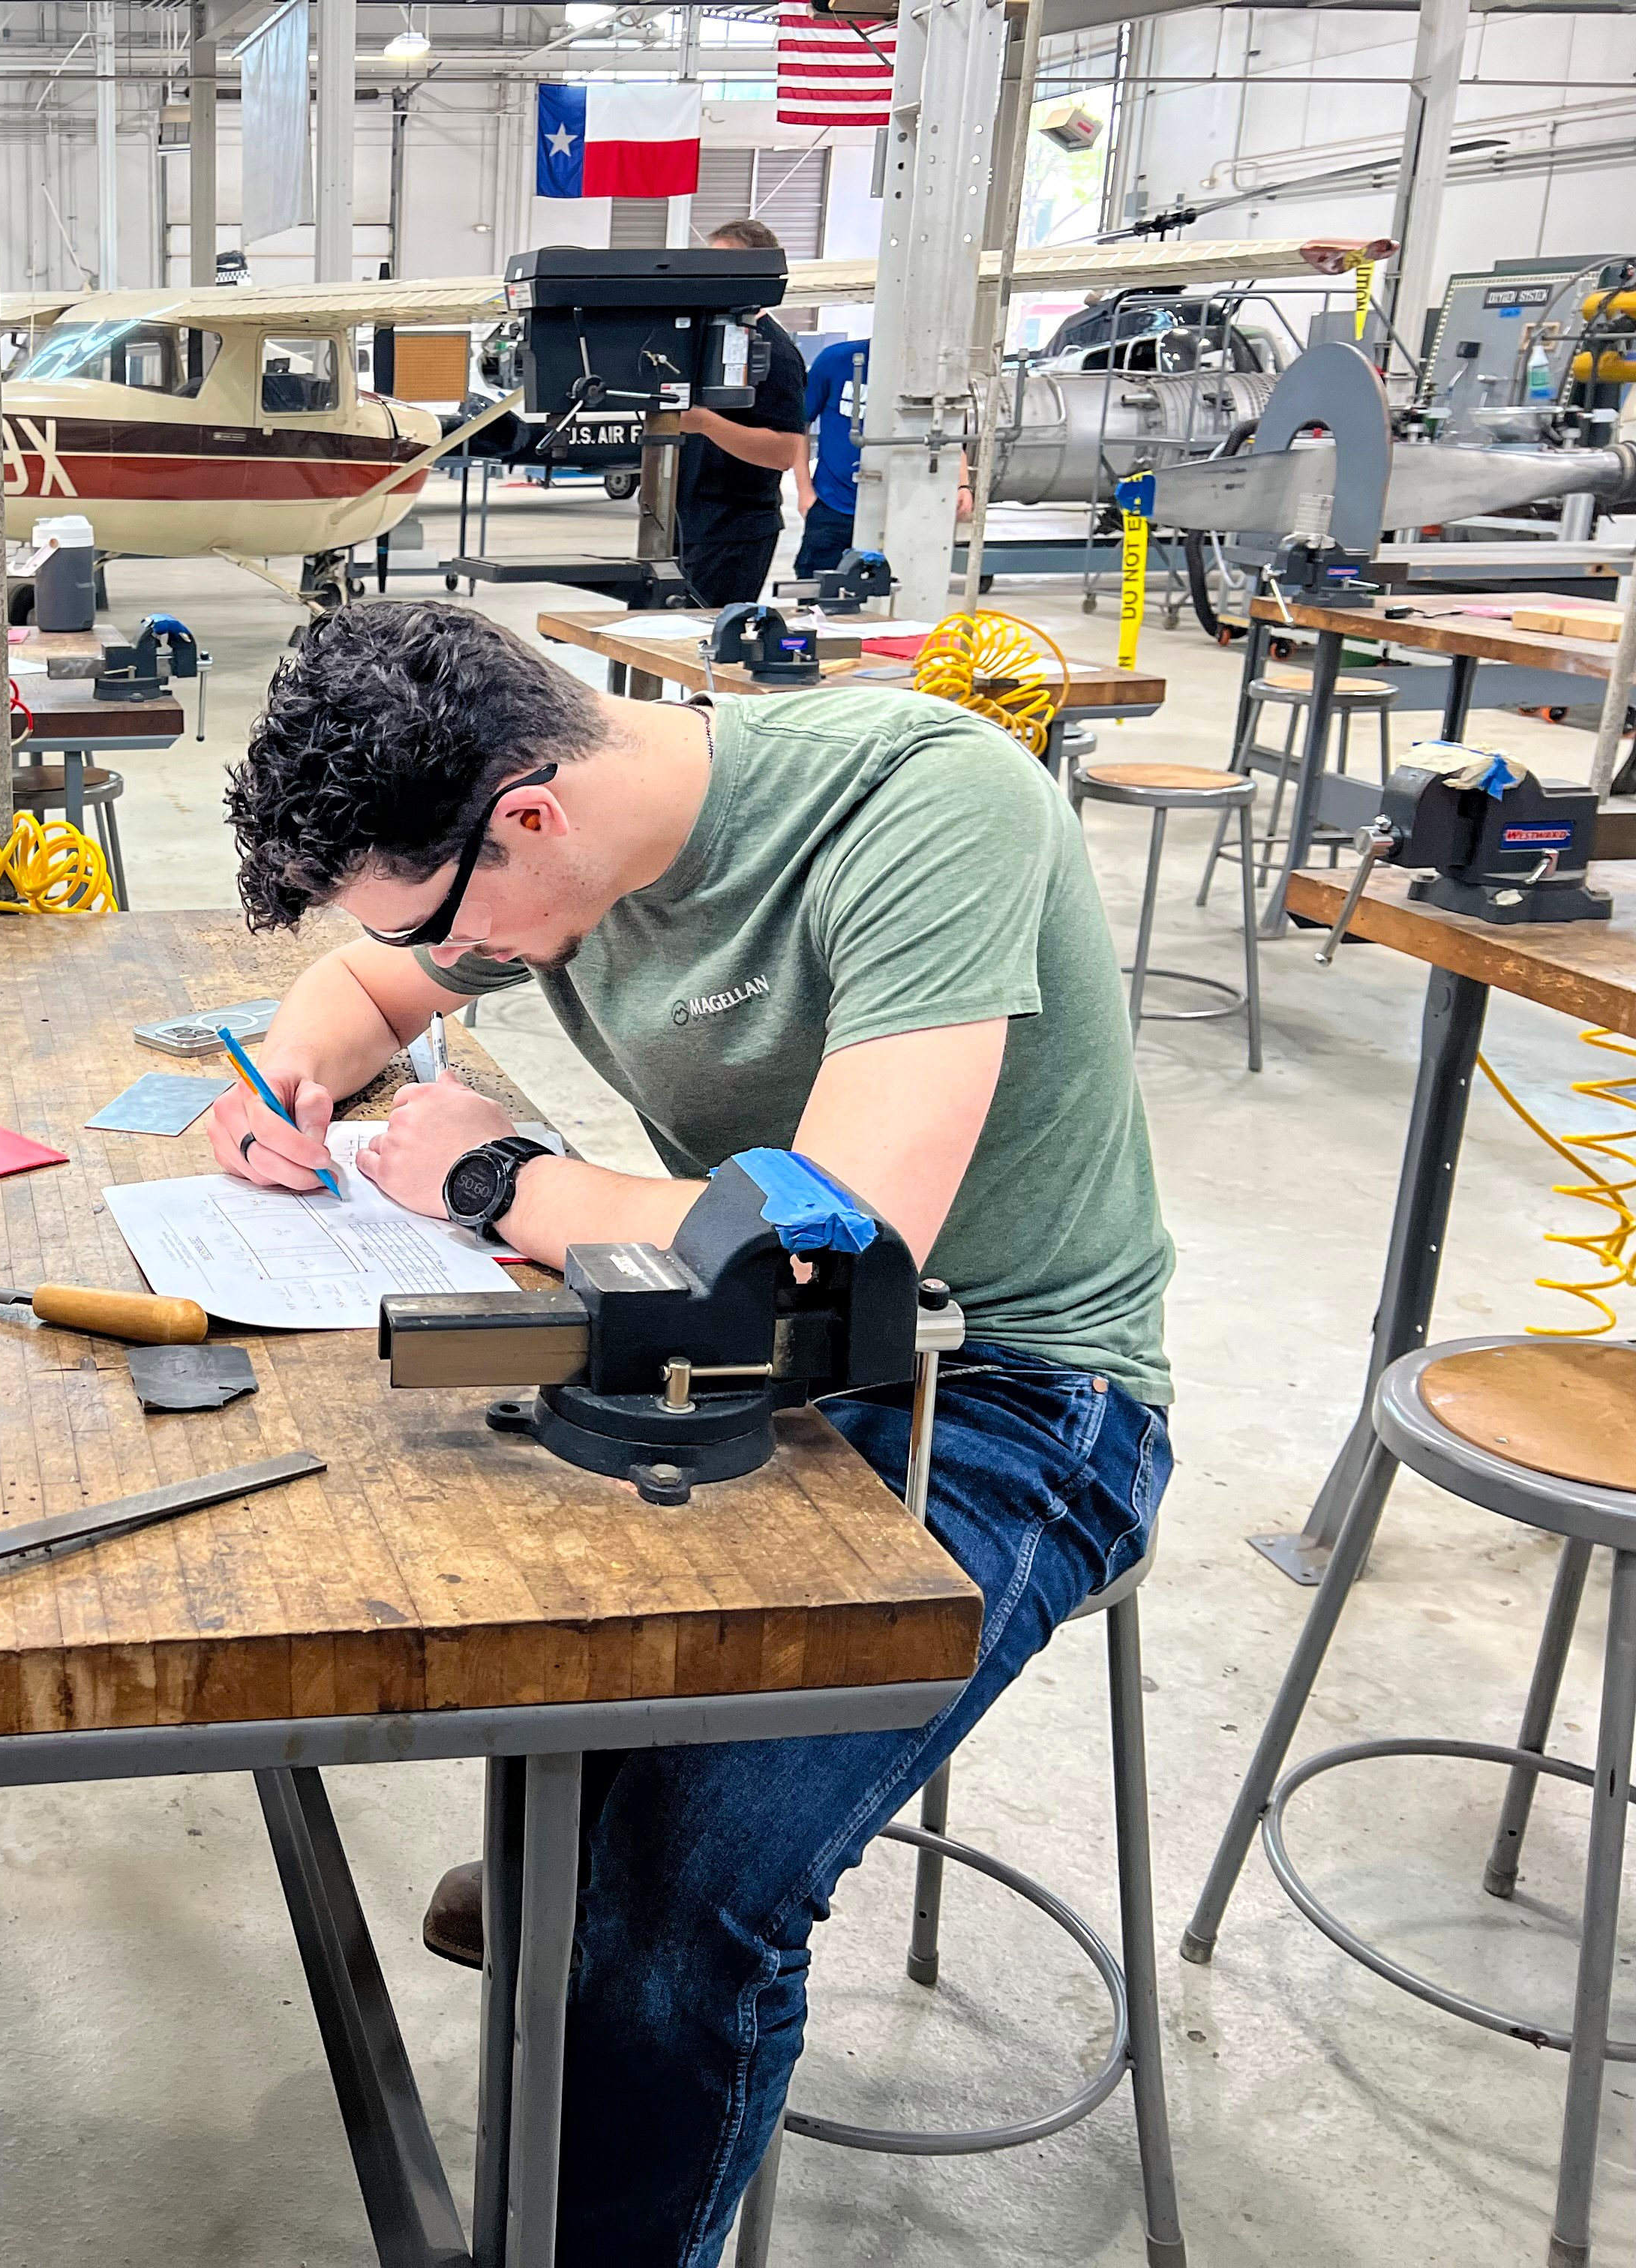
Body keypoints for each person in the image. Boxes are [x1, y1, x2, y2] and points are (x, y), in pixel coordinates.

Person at [212, 602, 1173, 2264]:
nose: (463, 964)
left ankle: (609, 1958)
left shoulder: (921, 802)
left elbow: (838, 1240)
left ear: (528, 815)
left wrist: (498, 1175)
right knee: (405, 1568)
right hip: (760, 1359)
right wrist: (291, 1074)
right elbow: (367, 970)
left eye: (458, 921)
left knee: (675, 1912)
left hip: (1005, 1383)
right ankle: (563, 1876)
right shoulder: (538, 864)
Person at [674, 217, 811, 609]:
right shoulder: (705, 340)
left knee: (707, 652)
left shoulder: (776, 353)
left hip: (732, 530)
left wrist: (705, 423)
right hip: (685, 522)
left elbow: (786, 451)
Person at [794, 330, 870, 580]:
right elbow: (798, 424)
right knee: (816, 594)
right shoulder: (836, 360)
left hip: (897, 510)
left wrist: (961, 485)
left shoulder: (922, 374)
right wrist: (805, 491)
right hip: (832, 505)